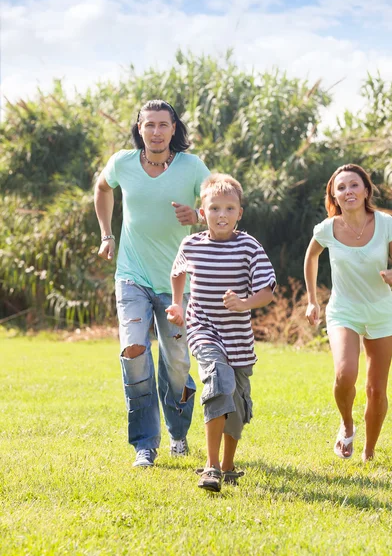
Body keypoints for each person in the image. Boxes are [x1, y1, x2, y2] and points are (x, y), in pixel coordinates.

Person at [94, 99, 210, 468]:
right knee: (134, 353)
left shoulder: (193, 167)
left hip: (179, 283)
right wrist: (106, 235)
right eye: (149, 125)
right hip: (132, 275)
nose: (156, 131)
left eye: (163, 124)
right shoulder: (123, 163)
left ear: (174, 128)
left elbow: (224, 206)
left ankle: (178, 432)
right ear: (139, 128)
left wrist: (199, 214)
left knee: (177, 363)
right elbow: (102, 188)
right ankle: (145, 444)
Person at [166, 173, 276, 492]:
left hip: (238, 338)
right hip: (203, 328)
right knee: (218, 382)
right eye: (214, 208)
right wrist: (176, 304)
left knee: (237, 404)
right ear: (203, 213)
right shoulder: (192, 244)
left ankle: (228, 466)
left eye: (229, 208)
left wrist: (244, 303)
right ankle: (211, 467)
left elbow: (267, 290)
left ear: (239, 213)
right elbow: (177, 272)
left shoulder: (249, 247)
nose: (222, 215)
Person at [304, 163, 392, 462]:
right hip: (343, 311)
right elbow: (311, 257)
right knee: (344, 373)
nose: (348, 191)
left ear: (366, 190)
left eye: (354, 185)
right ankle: (347, 425)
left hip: (380, 312)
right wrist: (312, 300)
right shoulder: (327, 228)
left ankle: (369, 451)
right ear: (334, 197)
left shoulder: (386, 224)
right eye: (341, 188)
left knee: (376, 390)